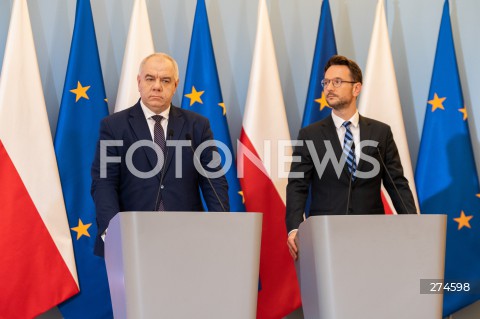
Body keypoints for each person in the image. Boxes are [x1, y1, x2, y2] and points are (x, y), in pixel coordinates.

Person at [91, 52, 229, 256]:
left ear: (175, 85)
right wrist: (113, 232)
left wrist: (222, 228)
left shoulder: (197, 126)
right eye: (150, 79)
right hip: (132, 239)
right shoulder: (114, 126)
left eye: (165, 80)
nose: (157, 86)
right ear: (139, 82)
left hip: (188, 240)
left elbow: (214, 181)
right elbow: (104, 182)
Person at [285, 55, 415, 260]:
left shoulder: (380, 133)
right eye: (326, 82)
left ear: (356, 88)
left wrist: (413, 224)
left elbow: (396, 183)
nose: (329, 88)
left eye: (337, 82)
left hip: (372, 236)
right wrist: (293, 228)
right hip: (325, 235)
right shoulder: (310, 135)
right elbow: (297, 185)